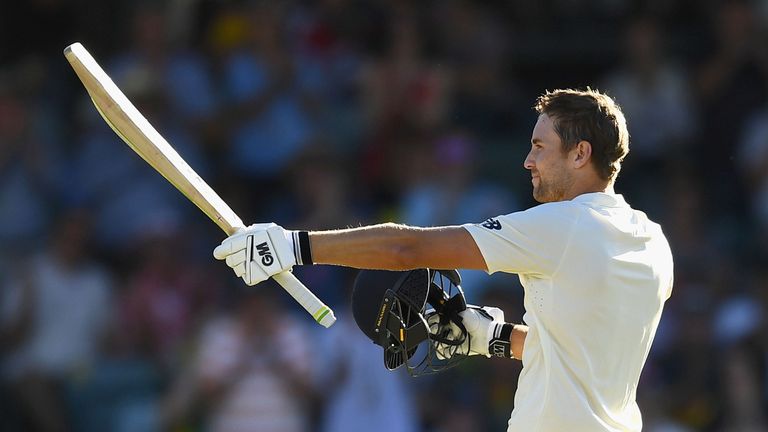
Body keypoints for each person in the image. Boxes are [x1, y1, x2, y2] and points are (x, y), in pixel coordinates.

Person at [212, 88, 674, 431]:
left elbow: (406, 249)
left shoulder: (565, 225)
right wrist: (495, 338)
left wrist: (293, 247)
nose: (527, 161)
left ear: (580, 155)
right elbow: (579, 354)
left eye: (539, 147)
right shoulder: (653, 242)